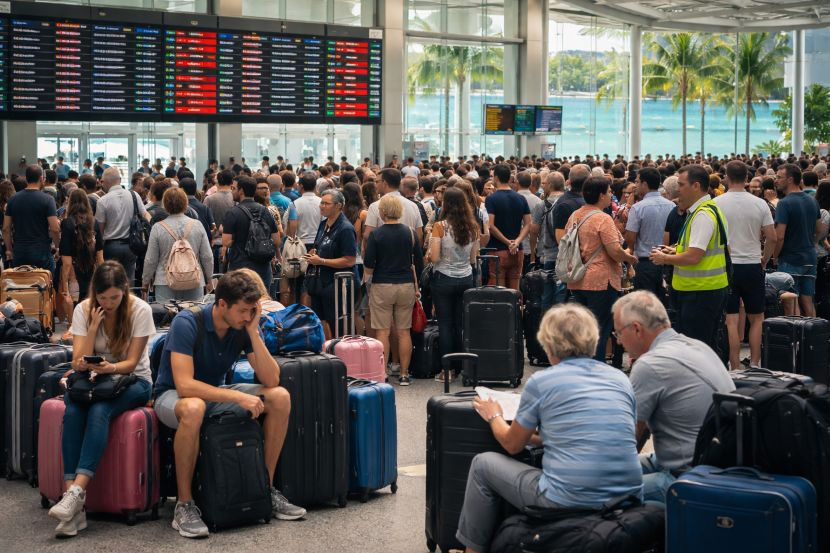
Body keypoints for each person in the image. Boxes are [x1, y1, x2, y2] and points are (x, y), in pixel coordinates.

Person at [457, 303, 643, 553]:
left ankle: (472, 550)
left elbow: (512, 445)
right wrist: (540, 438)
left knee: (483, 464)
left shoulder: (542, 381)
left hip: (567, 499)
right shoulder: (620, 379)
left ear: (550, 345)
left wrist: (495, 416)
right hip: (627, 496)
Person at [152, 270, 306, 539]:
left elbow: (272, 378)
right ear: (222, 304)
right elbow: (185, 386)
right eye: (244, 310)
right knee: (194, 407)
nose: (248, 315)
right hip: (172, 397)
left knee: (280, 397)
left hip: (215, 394)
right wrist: (237, 396)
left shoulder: (242, 326)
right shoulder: (188, 322)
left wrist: (254, 332)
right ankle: (184, 505)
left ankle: (264, 489)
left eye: (252, 310)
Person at [47, 261, 156, 537]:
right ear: (95, 293)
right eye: (102, 297)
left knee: (99, 410)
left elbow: (132, 363)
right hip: (96, 381)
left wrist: (109, 367)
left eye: (114, 298)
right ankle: (74, 508)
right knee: (72, 410)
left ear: (124, 291)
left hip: (134, 381)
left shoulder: (140, 310)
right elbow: (77, 361)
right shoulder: (85, 308)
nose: (108, 303)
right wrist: (93, 328)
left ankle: (75, 493)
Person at [612, 291, 734, 503]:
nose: (619, 342)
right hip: (715, 464)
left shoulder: (650, 364)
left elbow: (628, 439)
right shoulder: (696, 345)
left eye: (618, 334)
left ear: (636, 329)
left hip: (687, 476)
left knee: (593, 490)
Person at [650, 164, 729, 351]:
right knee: (703, 345)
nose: (678, 189)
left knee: (698, 348)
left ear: (696, 186)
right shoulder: (706, 210)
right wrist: (674, 250)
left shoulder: (703, 214)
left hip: (700, 292)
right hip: (703, 290)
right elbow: (693, 248)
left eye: (681, 184)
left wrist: (664, 258)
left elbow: (694, 257)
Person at [565, 176, 638, 362]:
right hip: (601, 280)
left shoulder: (575, 215)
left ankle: (581, 365)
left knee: (584, 329)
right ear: (601, 195)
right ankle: (594, 368)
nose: (611, 194)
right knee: (599, 328)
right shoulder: (603, 219)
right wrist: (629, 258)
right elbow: (614, 250)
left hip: (577, 278)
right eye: (609, 191)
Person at [714, 160, 776, 369]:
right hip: (752, 263)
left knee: (730, 319)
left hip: (727, 266)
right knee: (757, 317)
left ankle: (734, 364)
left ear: (726, 178)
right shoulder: (760, 203)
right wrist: (764, 260)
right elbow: (772, 237)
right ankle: (756, 363)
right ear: (748, 179)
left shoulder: (717, 203)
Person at [364, 194, 423, 386]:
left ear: (382, 212)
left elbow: (369, 263)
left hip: (382, 285)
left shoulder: (376, 234)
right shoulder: (410, 233)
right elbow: (418, 262)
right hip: (405, 285)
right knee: (404, 331)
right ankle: (405, 373)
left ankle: (383, 373)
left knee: (382, 332)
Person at [427, 188, 478, 373]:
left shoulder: (440, 226)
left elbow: (434, 258)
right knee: (459, 324)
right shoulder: (473, 227)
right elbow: (473, 259)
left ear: (446, 204)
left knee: (445, 324)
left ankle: (446, 369)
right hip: (465, 277)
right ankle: (461, 365)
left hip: (443, 278)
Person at [142, 187, 214, 303]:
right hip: (193, 279)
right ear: (185, 203)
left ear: (164, 204)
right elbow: (207, 256)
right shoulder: (197, 225)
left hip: (165, 281)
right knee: (193, 317)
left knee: (167, 318)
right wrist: (209, 278)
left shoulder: (158, 228)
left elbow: (151, 259)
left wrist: (145, 281)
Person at [305, 189, 358, 338]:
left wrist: (321, 261)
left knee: (337, 323)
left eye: (326, 203)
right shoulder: (323, 224)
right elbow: (319, 246)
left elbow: (349, 260)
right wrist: (313, 254)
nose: (322, 206)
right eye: (321, 202)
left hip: (337, 285)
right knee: (320, 319)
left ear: (338, 206)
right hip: (320, 282)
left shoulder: (345, 229)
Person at [774, 163, 823, 318]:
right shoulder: (812, 201)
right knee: (808, 301)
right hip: (810, 257)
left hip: (790, 258)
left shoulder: (784, 203)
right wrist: (810, 241)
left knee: (791, 303)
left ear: (789, 180)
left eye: (779, 177)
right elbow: (820, 228)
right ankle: (811, 339)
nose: (776, 180)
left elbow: (779, 235)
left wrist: (775, 256)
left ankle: (795, 339)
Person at [624, 167, 674, 299]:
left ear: (645, 184)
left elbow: (630, 238)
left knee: (645, 306)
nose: (635, 185)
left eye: (637, 182)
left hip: (646, 263)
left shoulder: (638, 208)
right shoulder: (672, 206)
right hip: (669, 261)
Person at [222, 176, 280, 289]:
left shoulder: (233, 213)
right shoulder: (265, 211)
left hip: (240, 268)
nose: (231, 191)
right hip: (263, 267)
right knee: (262, 301)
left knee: (242, 301)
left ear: (241, 191)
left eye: (234, 188)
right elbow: (277, 241)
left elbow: (226, 242)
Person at [95, 167, 150, 283]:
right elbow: (146, 215)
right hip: (132, 246)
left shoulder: (102, 201)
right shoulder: (134, 195)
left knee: (111, 280)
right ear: (119, 179)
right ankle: (128, 299)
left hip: (111, 247)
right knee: (129, 280)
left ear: (104, 182)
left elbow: (100, 230)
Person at [2, 165, 60, 271]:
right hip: (42, 251)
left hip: (19, 251)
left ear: (26, 178)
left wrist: (9, 249)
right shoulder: (48, 200)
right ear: (42, 178)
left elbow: (6, 228)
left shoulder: (12, 199)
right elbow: (55, 228)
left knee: (20, 284)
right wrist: (57, 246)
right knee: (46, 282)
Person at [484, 164, 531, 290]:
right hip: (517, 250)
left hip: (497, 250)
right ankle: (517, 310)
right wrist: (516, 242)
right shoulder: (521, 198)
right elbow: (528, 224)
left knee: (499, 291)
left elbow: (491, 226)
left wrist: (507, 242)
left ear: (496, 178)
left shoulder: (491, 199)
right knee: (515, 291)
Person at [550, 164, 590, 303]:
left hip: (575, 263)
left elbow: (560, 238)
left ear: (569, 181)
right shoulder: (567, 204)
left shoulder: (564, 203)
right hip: (573, 264)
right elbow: (562, 240)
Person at [59, 189, 104, 304]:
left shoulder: (67, 223)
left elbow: (67, 260)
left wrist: (64, 284)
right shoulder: (94, 222)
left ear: (70, 203)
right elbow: (100, 257)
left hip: (74, 272)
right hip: (91, 270)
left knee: (74, 305)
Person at [516, 171, 542, 272]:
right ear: (530, 183)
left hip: (514, 245)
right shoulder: (538, 201)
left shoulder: (512, 199)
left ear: (517, 183)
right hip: (532, 248)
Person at [293, 173, 322, 252]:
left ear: (301, 186)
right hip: (320, 242)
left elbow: (289, 225)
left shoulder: (294, 204)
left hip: (300, 243)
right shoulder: (322, 202)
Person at [180, 177, 215, 242]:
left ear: (182, 190)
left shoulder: (179, 208)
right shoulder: (204, 208)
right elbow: (212, 227)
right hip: (201, 243)